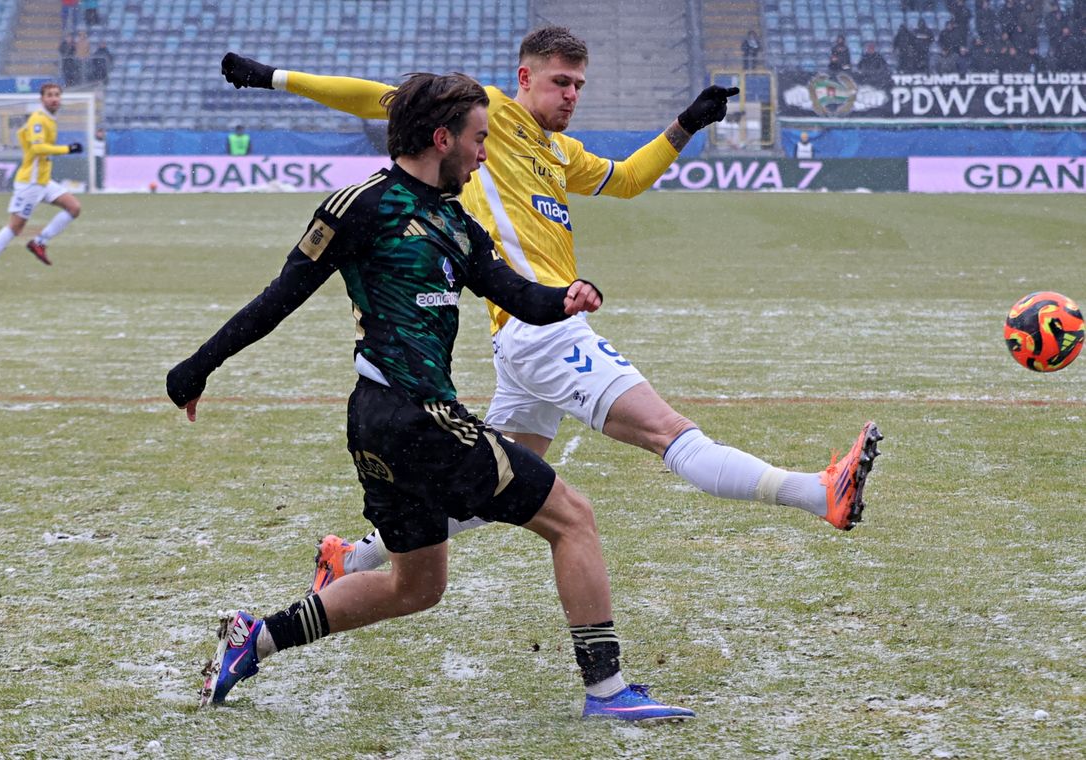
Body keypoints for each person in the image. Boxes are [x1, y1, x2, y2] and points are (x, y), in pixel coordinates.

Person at [219, 25, 882, 592]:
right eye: (560, 82)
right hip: (544, 334)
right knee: (669, 432)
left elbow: (626, 180)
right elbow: (372, 96)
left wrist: (685, 125)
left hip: (526, 339)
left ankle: (351, 558)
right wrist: (271, 77)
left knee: (490, 485)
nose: (571, 95)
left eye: (579, 85)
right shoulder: (488, 118)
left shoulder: (559, 151)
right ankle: (816, 493)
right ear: (524, 79)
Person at [166, 71, 694, 723]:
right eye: (478, 140)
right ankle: (608, 691)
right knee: (573, 517)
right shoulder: (361, 205)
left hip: (385, 424)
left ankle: (257, 638)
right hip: (414, 414)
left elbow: (515, 294)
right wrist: (197, 367)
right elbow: (280, 296)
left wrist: (567, 297)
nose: (484, 154)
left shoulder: (457, 222)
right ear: (442, 139)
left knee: (417, 586)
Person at [0, 83, 83, 287]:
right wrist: (67, 149)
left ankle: (40, 242)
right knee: (15, 227)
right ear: (42, 99)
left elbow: (23, 135)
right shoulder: (38, 119)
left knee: (74, 207)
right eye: (50, 95)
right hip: (31, 182)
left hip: (43, 180)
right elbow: (38, 147)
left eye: (57, 95)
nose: (54, 98)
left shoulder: (48, 119)